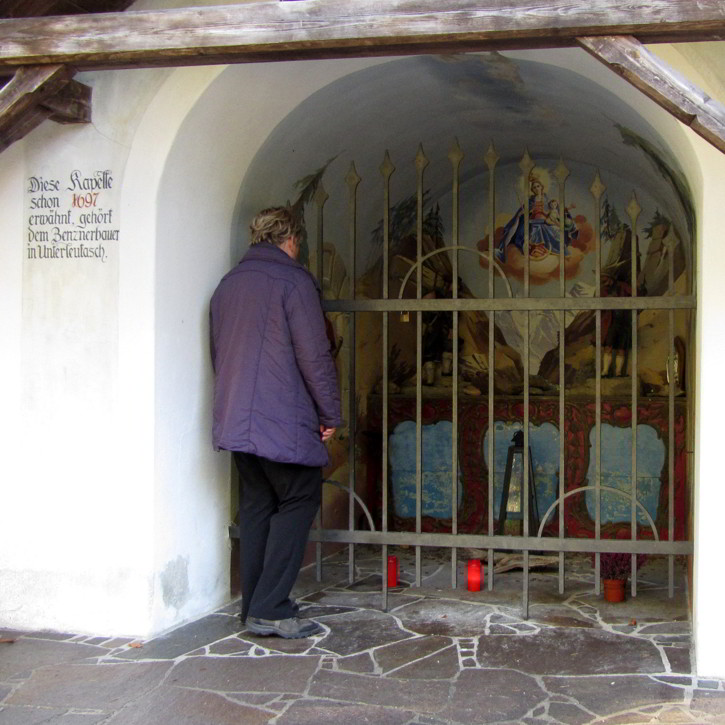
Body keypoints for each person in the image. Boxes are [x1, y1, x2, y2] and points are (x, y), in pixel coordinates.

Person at [210, 206, 342, 639]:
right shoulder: (293, 281)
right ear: (292, 240)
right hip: (281, 419)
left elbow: (220, 353)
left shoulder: (228, 284)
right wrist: (329, 413)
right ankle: (271, 606)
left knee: (257, 508)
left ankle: (254, 605)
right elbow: (314, 354)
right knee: (299, 500)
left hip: (238, 420)